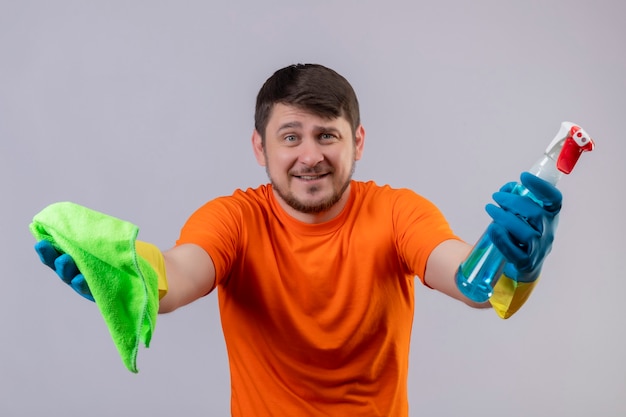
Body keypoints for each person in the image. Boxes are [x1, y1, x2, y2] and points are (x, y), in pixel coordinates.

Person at [32, 63, 562, 417]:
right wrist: (127, 273)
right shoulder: (234, 219)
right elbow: (177, 276)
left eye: (326, 134)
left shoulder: (398, 211)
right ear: (260, 148)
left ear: (356, 141)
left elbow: (470, 280)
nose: (310, 156)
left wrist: (520, 261)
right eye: (291, 137)